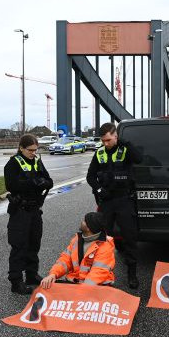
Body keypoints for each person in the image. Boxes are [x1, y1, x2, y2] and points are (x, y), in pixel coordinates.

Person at [86, 122, 143, 289]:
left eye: (109, 140)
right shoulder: (99, 153)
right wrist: (98, 188)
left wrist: (127, 144)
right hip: (107, 201)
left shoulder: (125, 150)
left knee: (130, 237)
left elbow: (139, 159)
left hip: (124, 200)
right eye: (103, 140)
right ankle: (101, 273)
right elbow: (90, 176)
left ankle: (132, 274)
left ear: (116, 136)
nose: (105, 143)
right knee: (103, 238)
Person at [5, 134, 53, 294]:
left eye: (35, 150)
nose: (33, 153)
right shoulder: (13, 163)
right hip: (21, 210)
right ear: (21, 148)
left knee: (34, 244)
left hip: (35, 210)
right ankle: (16, 281)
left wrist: (42, 183)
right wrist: (32, 183)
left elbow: (49, 180)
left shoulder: (37, 161)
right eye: (30, 150)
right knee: (19, 246)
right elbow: (11, 185)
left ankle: (31, 275)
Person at [40, 212, 116, 289]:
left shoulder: (105, 246)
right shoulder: (77, 240)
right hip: (77, 282)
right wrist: (53, 274)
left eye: (84, 221)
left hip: (96, 286)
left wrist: (82, 290)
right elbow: (65, 260)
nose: (82, 221)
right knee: (47, 288)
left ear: (89, 227)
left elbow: (99, 272)